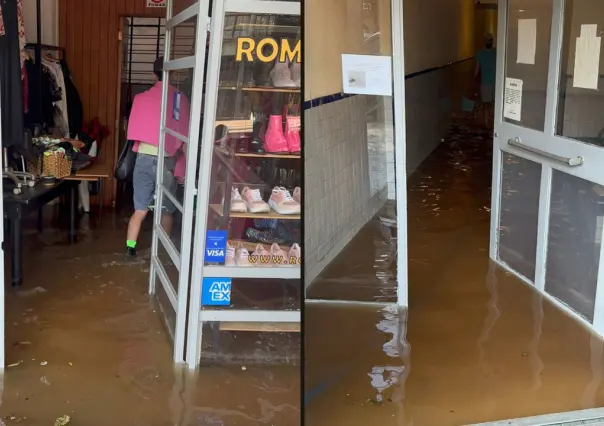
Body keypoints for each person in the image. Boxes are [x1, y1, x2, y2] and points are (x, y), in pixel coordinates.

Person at [125, 56, 190, 256]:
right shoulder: (179, 99)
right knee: (167, 209)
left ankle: (130, 249)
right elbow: (183, 137)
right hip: (167, 159)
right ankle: (162, 251)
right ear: (173, 73)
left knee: (140, 209)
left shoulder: (140, 98)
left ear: (154, 74)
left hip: (143, 158)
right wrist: (185, 166)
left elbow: (134, 133)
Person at [474, 33, 497, 126]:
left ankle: (490, 121)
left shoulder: (494, 52)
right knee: (487, 103)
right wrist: (474, 81)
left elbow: (476, 69)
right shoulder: (482, 53)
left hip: (493, 82)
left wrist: (474, 80)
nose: (489, 42)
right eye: (488, 40)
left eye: (490, 40)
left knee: (489, 103)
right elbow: (477, 68)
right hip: (488, 82)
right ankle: (487, 122)